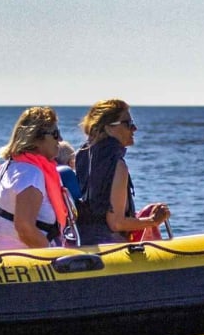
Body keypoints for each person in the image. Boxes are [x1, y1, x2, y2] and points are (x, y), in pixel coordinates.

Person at [73, 99, 170, 244]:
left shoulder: (81, 156)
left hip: (83, 241)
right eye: (128, 124)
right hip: (109, 246)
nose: (134, 128)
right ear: (108, 128)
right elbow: (116, 223)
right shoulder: (117, 164)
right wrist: (152, 221)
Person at [0, 107, 71, 251]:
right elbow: (25, 229)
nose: (60, 139)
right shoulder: (30, 174)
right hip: (20, 261)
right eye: (55, 134)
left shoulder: (7, 167)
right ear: (36, 138)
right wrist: (54, 254)